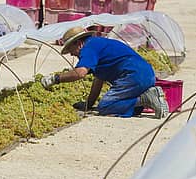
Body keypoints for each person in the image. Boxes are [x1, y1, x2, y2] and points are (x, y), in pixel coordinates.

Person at [40, 26, 169, 119]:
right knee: (114, 104)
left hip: (133, 75)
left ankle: (145, 98)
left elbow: (80, 73)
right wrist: (88, 104)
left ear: (79, 43)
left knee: (106, 106)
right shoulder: (98, 45)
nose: (72, 54)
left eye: (71, 50)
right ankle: (144, 99)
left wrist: (56, 78)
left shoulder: (88, 48)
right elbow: (98, 80)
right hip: (145, 74)